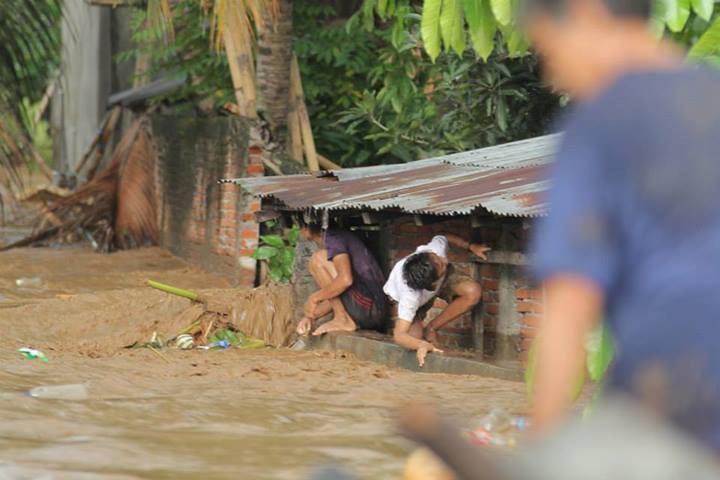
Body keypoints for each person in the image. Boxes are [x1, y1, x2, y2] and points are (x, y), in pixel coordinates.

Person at [524, 0, 720, 451]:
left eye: (549, 52)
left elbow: (569, 308)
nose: (553, 77)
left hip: (673, 421)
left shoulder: (601, 124)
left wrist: (538, 453)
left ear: (585, 12)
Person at [385, 234, 490, 366]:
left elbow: (443, 236)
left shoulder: (433, 253)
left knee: (472, 292)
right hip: (418, 294)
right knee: (413, 339)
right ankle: (423, 334)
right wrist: (422, 344)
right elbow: (399, 335)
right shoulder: (409, 296)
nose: (443, 260)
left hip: (439, 281)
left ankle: (432, 328)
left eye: (438, 259)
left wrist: (471, 246)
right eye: (441, 265)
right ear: (433, 283)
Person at [296, 222, 389, 336]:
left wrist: (314, 298)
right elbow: (337, 295)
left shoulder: (333, 238)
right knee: (331, 282)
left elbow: (345, 280)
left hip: (370, 308)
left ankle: (342, 319)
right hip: (373, 311)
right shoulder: (336, 238)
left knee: (318, 259)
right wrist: (311, 316)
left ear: (306, 228)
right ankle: (342, 318)